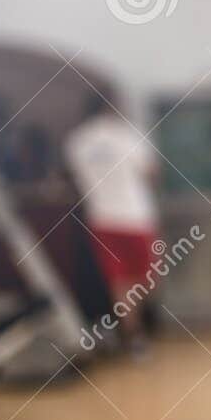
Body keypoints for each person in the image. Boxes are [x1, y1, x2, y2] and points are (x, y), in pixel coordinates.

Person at [63, 92, 160, 352]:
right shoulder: (127, 135)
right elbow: (151, 173)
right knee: (145, 276)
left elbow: (73, 177)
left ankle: (132, 332)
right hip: (135, 217)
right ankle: (135, 330)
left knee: (119, 282)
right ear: (111, 106)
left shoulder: (77, 141)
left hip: (102, 220)